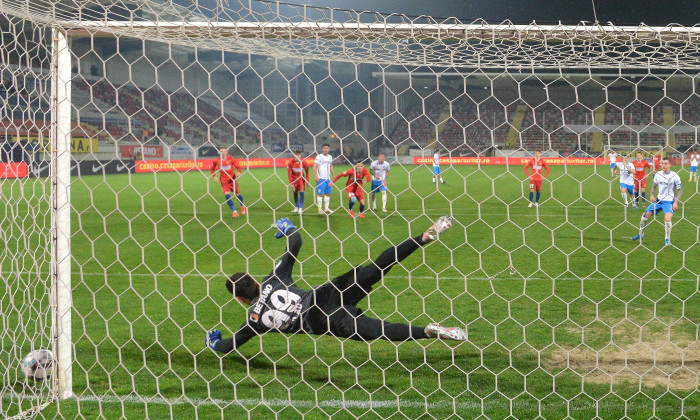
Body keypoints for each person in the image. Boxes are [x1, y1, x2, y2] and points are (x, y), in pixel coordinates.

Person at [205, 216, 466, 354]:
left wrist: (214, 342)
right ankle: (423, 237)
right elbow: (295, 244)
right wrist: (288, 228)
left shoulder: (253, 319)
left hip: (321, 319)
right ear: (253, 279)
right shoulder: (273, 278)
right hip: (325, 293)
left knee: (376, 329)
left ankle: (429, 331)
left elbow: (227, 347)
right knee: (376, 269)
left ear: (239, 299)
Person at [630, 157, 682, 246]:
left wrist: (676, 202)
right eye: (663, 163)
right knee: (644, 216)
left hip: (668, 202)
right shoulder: (658, 174)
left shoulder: (675, 176)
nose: (664, 165)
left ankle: (667, 239)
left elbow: (680, 190)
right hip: (658, 201)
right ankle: (641, 234)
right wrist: (651, 195)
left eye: (666, 164)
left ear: (670, 165)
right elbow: (654, 186)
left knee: (667, 219)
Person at [210, 146, 245, 218]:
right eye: (221, 151)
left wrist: (239, 172)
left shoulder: (231, 159)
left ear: (226, 152)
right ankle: (234, 211)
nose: (222, 152)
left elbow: (238, 167)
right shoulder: (216, 161)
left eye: (224, 151)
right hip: (224, 181)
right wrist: (214, 177)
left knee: (237, 195)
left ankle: (242, 205)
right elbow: (212, 169)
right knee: (227, 196)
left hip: (232, 180)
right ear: (218, 152)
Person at [313, 144, 334, 214]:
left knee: (328, 193)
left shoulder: (330, 157)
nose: (326, 149)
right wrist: (316, 176)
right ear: (322, 149)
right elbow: (314, 166)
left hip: (328, 179)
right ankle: (319, 209)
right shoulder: (319, 156)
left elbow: (331, 166)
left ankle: (326, 208)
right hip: (321, 178)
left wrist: (333, 175)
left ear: (329, 149)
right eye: (324, 148)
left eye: (327, 148)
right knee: (320, 194)